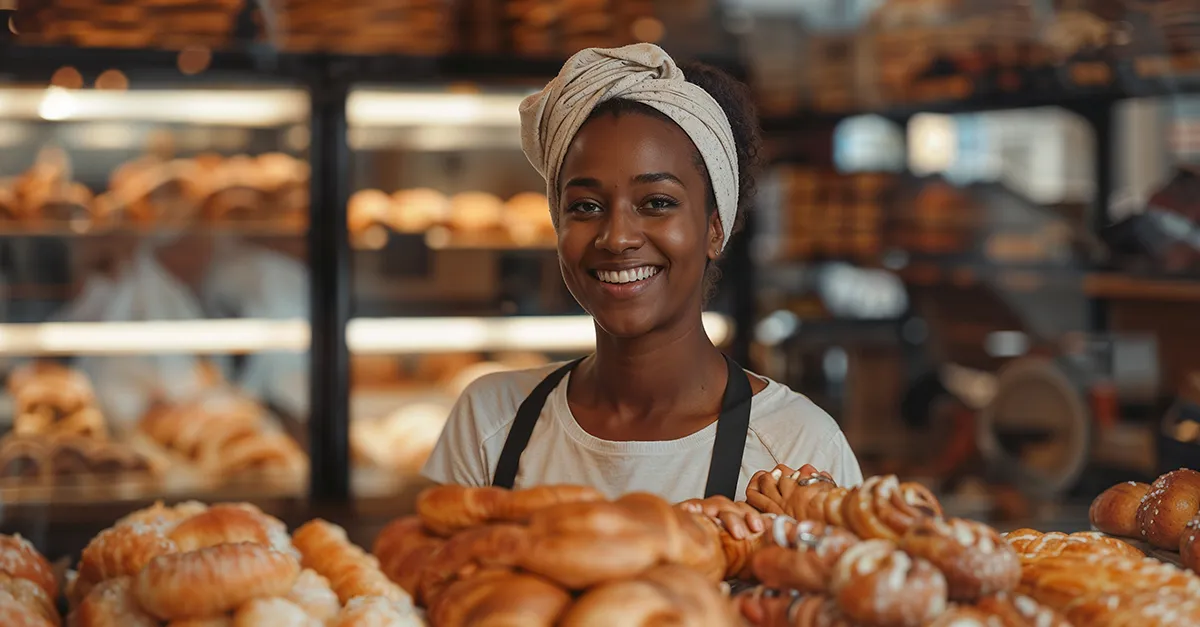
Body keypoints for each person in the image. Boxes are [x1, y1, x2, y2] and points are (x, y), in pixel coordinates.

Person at [422, 43, 863, 537]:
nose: (617, 237)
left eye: (656, 202)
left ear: (715, 228)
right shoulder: (491, 421)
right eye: (586, 207)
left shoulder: (797, 447)